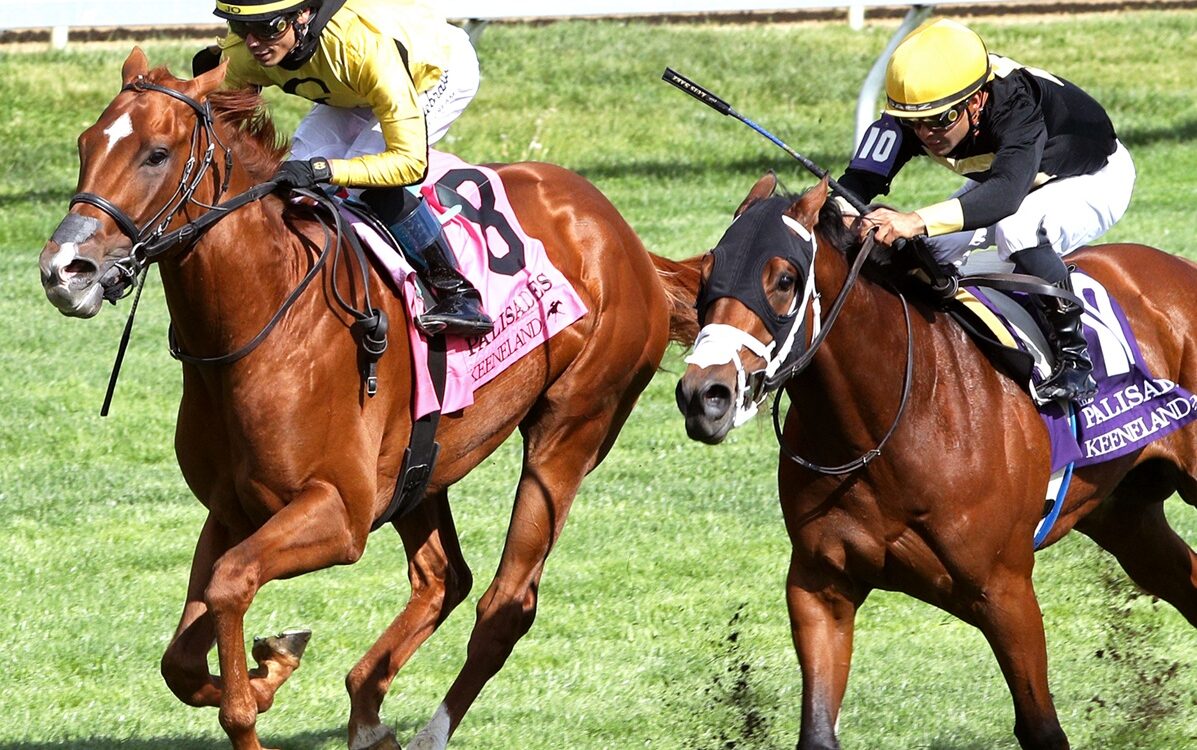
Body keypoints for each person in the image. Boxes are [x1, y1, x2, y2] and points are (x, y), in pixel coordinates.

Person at [837, 18, 1135, 403]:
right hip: (1013, 175)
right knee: (924, 256)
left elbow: (1004, 198)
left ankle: (1076, 362)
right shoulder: (913, 115)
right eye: (914, 123)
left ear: (976, 101)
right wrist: (838, 210)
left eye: (940, 119)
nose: (927, 133)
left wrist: (913, 220)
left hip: (1093, 174)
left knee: (1018, 231)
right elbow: (859, 178)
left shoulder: (1016, 105)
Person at [208, 0, 493, 337]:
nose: (253, 42)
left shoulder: (364, 48)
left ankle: (456, 292)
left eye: (268, 28)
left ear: (303, 15)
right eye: (242, 28)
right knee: (287, 182)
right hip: (354, 88)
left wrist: (324, 170)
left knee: (364, 185)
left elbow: (408, 163)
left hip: (432, 74)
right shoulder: (247, 51)